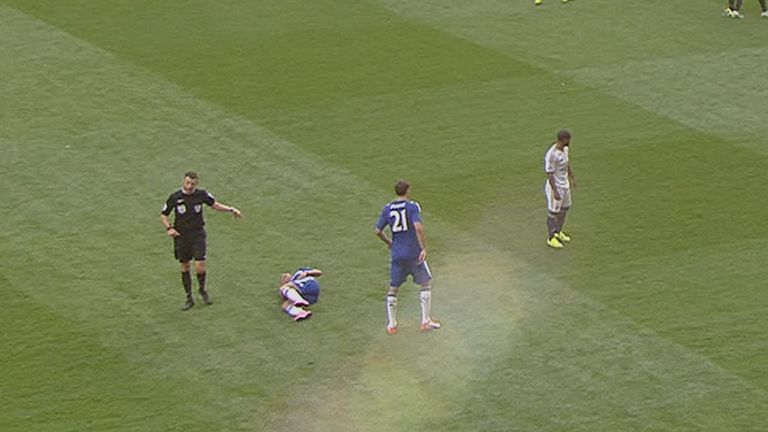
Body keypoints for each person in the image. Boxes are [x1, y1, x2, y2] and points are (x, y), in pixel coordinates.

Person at [160, 171, 243, 310]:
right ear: (183, 182)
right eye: (187, 183)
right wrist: (169, 228)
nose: (190, 186)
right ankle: (188, 297)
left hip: (197, 234)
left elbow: (214, 204)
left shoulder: (201, 195)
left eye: (192, 184)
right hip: (181, 236)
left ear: (196, 184)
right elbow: (164, 214)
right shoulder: (175, 197)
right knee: (185, 266)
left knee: (200, 265)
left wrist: (230, 209)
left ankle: (202, 290)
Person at [375, 180, 441, 334]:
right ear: (408, 191)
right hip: (413, 253)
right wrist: (424, 247)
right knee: (425, 283)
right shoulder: (412, 206)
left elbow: (377, 230)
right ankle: (425, 321)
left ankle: (392, 324)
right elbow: (418, 226)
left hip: (397, 254)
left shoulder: (388, 208)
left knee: (393, 288)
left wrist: (389, 242)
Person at [544, 129, 576, 249]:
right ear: (562, 140)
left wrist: (572, 178)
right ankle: (551, 237)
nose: (569, 142)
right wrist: (555, 191)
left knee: (565, 208)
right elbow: (549, 173)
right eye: (568, 140)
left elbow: (567, 164)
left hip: (565, 185)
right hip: (555, 187)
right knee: (553, 212)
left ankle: (558, 231)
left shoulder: (565, 149)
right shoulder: (551, 155)